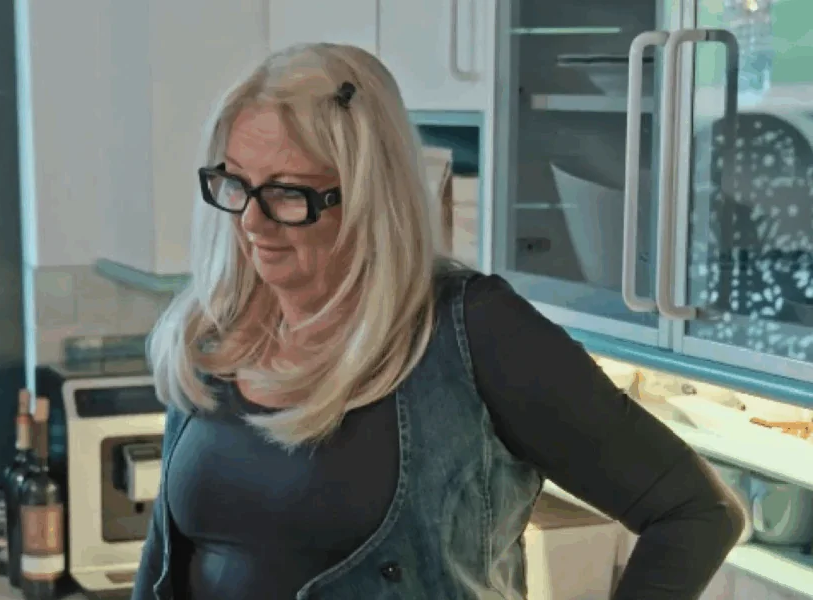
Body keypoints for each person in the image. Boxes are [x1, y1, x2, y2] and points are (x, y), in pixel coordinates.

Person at [132, 43, 745, 600]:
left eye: (288, 193)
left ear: (369, 194)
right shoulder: (213, 332)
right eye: (235, 183)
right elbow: (164, 563)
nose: (250, 222)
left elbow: (696, 514)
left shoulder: (473, 332)